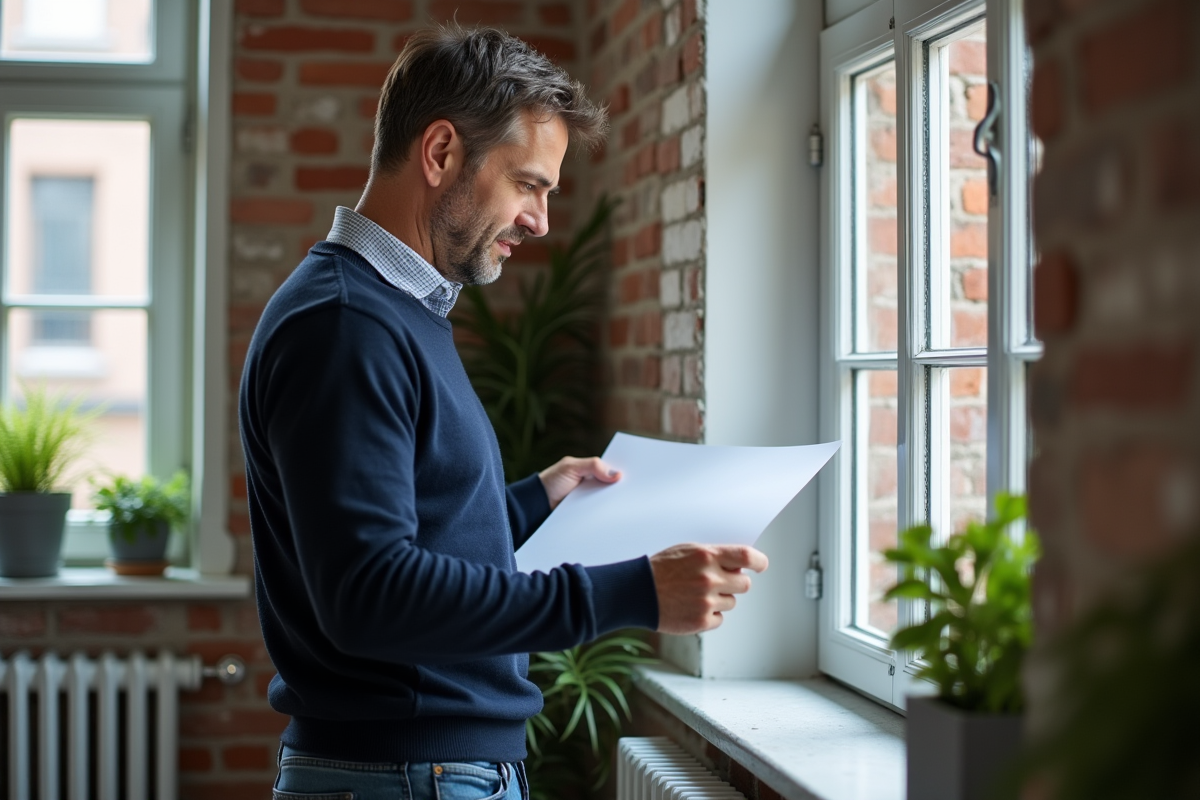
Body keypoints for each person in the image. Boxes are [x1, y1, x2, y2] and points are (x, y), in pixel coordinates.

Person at [238, 25, 768, 800]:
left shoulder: (394, 312)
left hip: (419, 775)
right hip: (406, 778)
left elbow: (407, 532)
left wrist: (526, 504)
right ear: (442, 152)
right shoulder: (348, 327)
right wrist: (633, 594)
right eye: (529, 184)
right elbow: (369, 598)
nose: (541, 221)